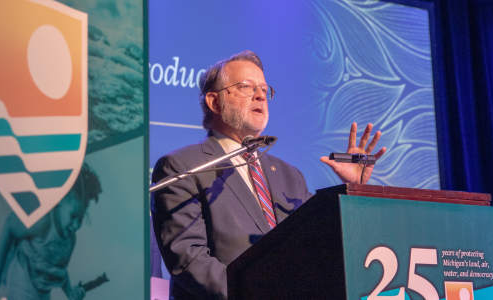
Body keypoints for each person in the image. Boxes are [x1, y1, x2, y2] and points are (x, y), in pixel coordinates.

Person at [151, 50, 386, 299]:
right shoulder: (182, 166)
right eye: (246, 86)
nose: (261, 95)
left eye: (264, 89)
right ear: (214, 102)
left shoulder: (289, 176)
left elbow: (322, 245)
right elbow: (188, 259)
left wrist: (354, 190)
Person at [0, 163, 102, 300]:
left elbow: (58, 271)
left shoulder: (70, 241)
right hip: (21, 280)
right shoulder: (43, 223)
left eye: (80, 219)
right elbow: (11, 225)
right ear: (60, 201)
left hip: (42, 293)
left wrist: (71, 294)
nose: (76, 225)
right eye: (73, 216)